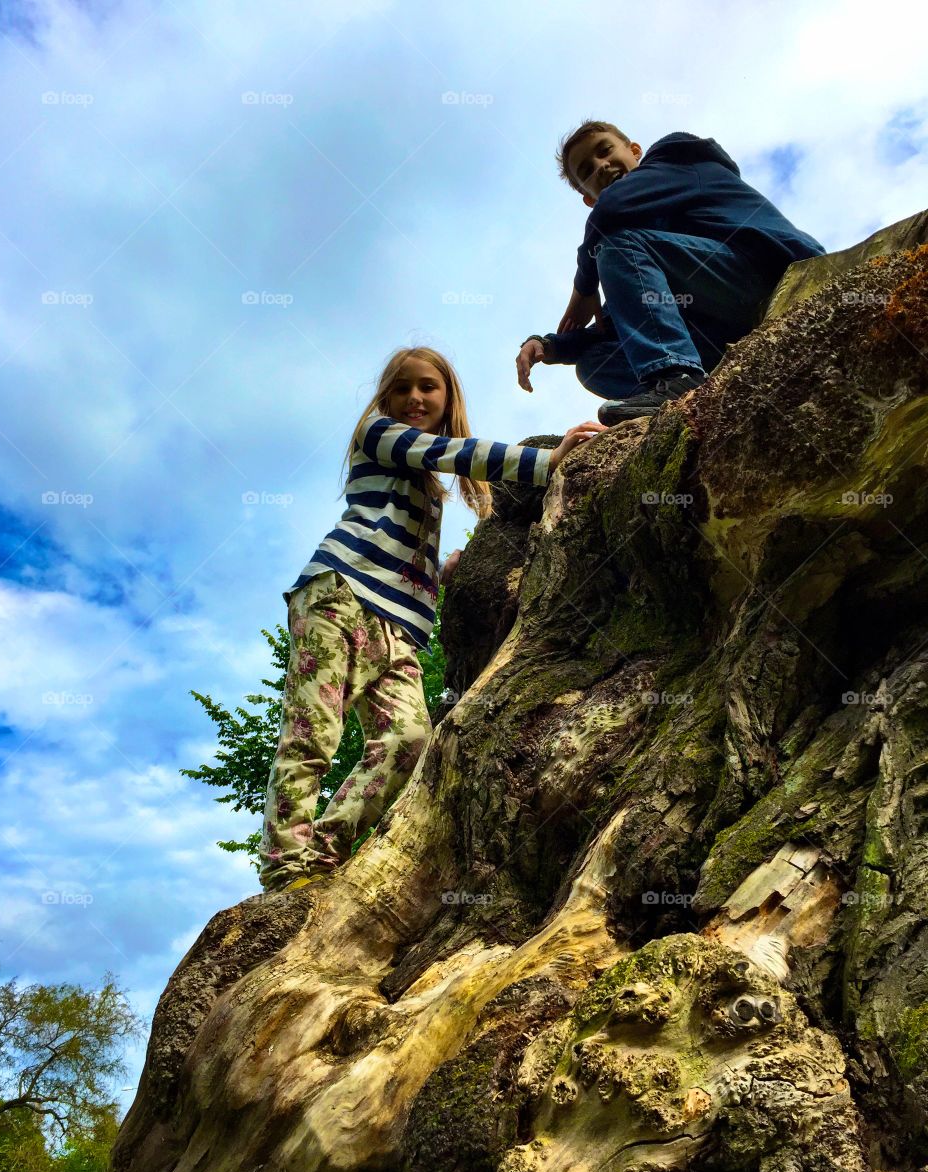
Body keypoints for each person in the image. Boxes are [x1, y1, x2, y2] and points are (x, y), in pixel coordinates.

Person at [259, 346, 607, 893]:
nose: (414, 397)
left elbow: (409, 536)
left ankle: (326, 850)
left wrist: (443, 574)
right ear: (384, 398)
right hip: (340, 593)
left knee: (411, 740)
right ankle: (287, 864)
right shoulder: (380, 434)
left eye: (428, 387)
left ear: (448, 398)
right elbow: (458, 453)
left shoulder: (424, 480)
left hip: (399, 625)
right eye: (402, 388)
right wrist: (548, 460)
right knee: (312, 730)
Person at [516, 123, 825, 425]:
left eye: (605, 150)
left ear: (635, 150)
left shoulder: (678, 158)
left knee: (616, 248)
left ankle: (676, 378)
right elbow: (622, 318)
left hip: (766, 272)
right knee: (593, 365)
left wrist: (584, 287)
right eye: (586, 170)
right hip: (722, 324)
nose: (601, 165)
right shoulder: (640, 242)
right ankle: (678, 392)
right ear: (588, 199)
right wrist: (548, 345)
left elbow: (611, 210)